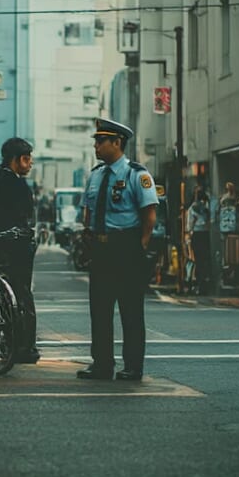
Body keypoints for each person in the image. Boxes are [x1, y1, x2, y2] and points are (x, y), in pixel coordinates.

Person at [76, 118, 158, 381]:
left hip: (126, 248)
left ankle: (133, 366)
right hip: (100, 248)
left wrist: (139, 247)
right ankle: (102, 364)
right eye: (95, 141)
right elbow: (87, 210)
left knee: (130, 311)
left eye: (101, 141)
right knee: (99, 309)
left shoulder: (137, 174)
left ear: (117, 143)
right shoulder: (96, 175)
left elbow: (149, 216)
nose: (96, 146)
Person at [0, 137, 40, 364]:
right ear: (16, 160)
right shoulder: (17, 184)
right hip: (17, 246)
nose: (30, 163)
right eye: (26, 158)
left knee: (4, 296)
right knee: (22, 295)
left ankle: (9, 342)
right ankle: (25, 346)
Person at [186, 187, 211, 294]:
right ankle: (204, 284)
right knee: (205, 259)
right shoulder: (206, 208)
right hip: (205, 234)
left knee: (197, 259)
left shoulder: (193, 208)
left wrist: (189, 233)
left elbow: (190, 223)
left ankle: (199, 283)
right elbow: (209, 220)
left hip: (196, 234)